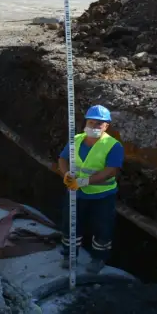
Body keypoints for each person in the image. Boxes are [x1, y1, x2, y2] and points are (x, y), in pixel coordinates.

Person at [53, 105, 124, 274]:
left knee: (102, 228)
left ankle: (98, 258)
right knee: (70, 225)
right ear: (86, 122)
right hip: (76, 193)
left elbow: (110, 171)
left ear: (106, 126)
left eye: (99, 124)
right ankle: (69, 255)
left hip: (102, 196)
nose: (94, 126)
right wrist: (65, 175)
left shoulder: (113, 146)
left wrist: (84, 181)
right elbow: (63, 159)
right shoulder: (76, 140)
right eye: (91, 122)